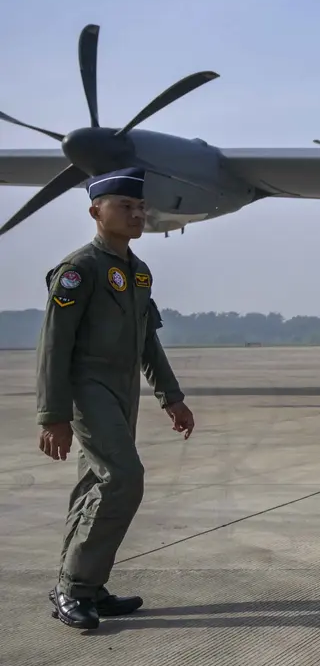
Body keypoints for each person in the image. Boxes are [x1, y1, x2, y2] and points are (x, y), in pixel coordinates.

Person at [38, 167, 195, 630]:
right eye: (125, 206)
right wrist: (53, 415)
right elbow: (54, 346)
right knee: (124, 478)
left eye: (141, 207)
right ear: (96, 212)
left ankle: (86, 584)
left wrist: (171, 397)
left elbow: (149, 342)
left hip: (123, 390)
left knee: (95, 485)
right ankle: (74, 588)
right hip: (86, 388)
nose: (137, 214)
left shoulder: (138, 273)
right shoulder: (78, 271)